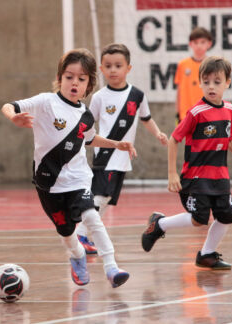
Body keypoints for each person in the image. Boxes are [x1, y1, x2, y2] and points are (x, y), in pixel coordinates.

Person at [2, 48, 136, 288]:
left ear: (89, 84)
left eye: (81, 79)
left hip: (79, 179)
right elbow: (8, 105)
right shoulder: (46, 102)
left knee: (92, 216)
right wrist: (13, 117)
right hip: (49, 184)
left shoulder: (85, 115)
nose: (74, 82)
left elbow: (89, 139)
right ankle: (77, 256)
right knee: (66, 232)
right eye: (69, 77)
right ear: (60, 78)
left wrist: (117, 144)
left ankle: (111, 267)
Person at [141, 56, 232, 269]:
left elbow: (228, 139)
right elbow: (174, 139)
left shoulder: (230, 110)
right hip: (196, 176)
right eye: (206, 82)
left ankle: (207, 254)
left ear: (227, 83)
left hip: (220, 175)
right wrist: (172, 173)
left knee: (226, 217)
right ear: (200, 83)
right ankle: (159, 224)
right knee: (198, 219)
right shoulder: (196, 112)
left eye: (217, 81)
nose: (211, 87)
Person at [74, 43, 168, 254]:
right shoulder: (99, 97)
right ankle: (79, 234)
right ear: (101, 68)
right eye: (108, 65)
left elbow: (146, 118)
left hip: (123, 157)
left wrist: (158, 133)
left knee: (106, 199)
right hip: (105, 155)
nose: (113, 70)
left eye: (118, 65)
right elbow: (87, 124)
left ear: (128, 68)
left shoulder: (137, 95)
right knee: (99, 196)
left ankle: (82, 234)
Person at [175, 27, 213, 124]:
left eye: (202, 42)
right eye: (196, 42)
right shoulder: (183, 65)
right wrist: (178, 113)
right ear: (190, 44)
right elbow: (179, 91)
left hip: (207, 114)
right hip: (187, 116)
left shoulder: (213, 65)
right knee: (189, 139)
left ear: (209, 44)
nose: (199, 46)